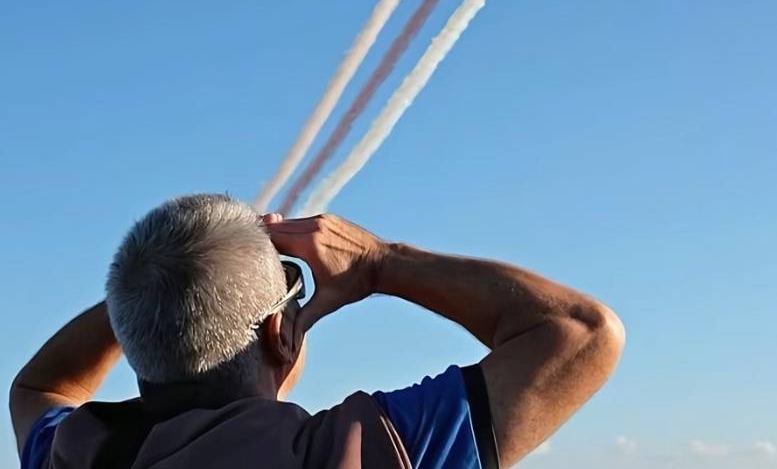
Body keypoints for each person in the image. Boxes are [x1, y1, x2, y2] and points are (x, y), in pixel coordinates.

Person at [9, 193, 625, 468]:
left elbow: (41, 386)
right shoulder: (357, 453)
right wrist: (381, 261)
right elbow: (581, 333)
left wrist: (158, 288)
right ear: (280, 334)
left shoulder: (81, 453)